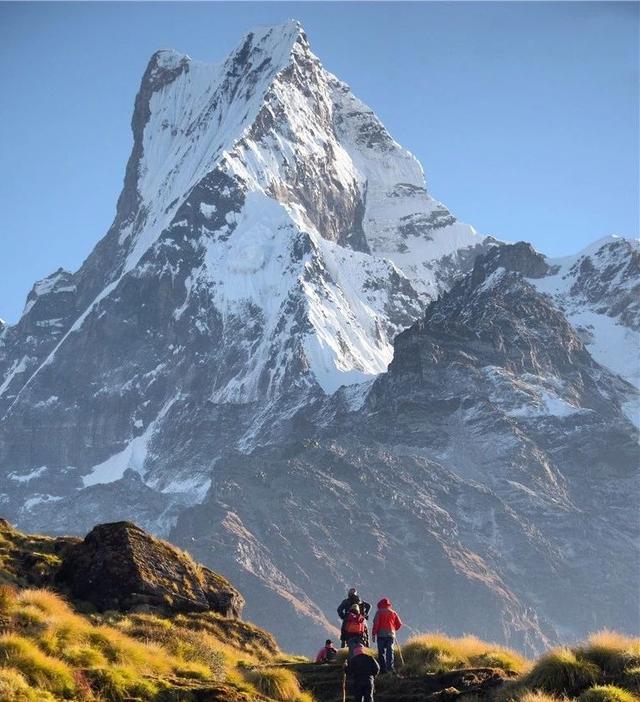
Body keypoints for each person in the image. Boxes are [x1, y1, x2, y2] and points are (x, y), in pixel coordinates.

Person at [371, 597, 403, 673]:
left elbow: (376, 624)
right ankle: (390, 668)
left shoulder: (379, 612)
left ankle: (383, 669)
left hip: (381, 635)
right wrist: (394, 629)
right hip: (391, 635)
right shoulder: (393, 612)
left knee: (381, 652)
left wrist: (373, 634)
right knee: (390, 651)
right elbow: (399, 624)